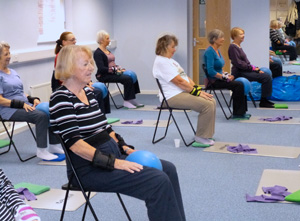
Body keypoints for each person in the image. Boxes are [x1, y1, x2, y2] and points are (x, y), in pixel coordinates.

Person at [49, 45, 186, 221]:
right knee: (157, 181)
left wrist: (126, 149)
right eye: (85, 64)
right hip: (88, 169)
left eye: (90, 63)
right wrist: (115, 163)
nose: (91, 67)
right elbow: (76, 145)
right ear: (68, 67)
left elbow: (107, 130)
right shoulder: (60, 98)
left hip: (113, 156)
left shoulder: (89, 93)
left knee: (168, 169)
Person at [0, 41, 62, 160]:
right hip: (8, 110)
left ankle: (54, 146)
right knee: (41, 116)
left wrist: (31, 98)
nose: (9, 56)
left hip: (24, 104)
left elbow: (19, 91)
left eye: (9, 53)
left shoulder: (12, 72)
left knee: (52, 111)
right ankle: (42, 151)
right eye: (6, 54)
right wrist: (20, 104)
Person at [153, 34, 216, 146]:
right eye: (172, 47)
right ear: (165, 46)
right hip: (171, 97)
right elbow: (179, 82)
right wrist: (197, 93)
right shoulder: (161, 62)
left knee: (211, 101)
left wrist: (198, 90)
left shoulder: (172, 62)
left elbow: (186, 78)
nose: (174, 49)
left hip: (181, 93)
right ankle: (200, 137)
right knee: (207, 105)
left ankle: (206, 134)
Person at [53, 32, 110, 114]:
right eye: (72, 40)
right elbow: (66, 75)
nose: (75, 41)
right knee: (97, 93)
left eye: (75, 39)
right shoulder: (61, 57)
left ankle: (101, 116)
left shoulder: (75, 54)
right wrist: (85, 85)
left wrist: (88, 83)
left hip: (79, 85)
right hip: (71, 86)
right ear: (64, 42)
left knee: (96, 91)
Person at [204, 29, 249, 119]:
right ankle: (238, 113)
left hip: (219, 78)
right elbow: (210, 71)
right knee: (238, 85)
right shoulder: (209, 52)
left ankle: (242, 112)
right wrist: (224, 77)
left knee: (241, 84)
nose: (223, 39)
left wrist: (227, 74)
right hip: (213, 81)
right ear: (214, 39)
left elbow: (219, 68)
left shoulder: (217, 50)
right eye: (221, 37)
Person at [94, 30, 143, 109]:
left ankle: (131, 98)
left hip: (112, 73)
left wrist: (119, 68)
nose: (109, 40)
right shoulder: (98, 53)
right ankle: (127, 101)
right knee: (127, 79)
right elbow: (101, 68)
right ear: (101, 40)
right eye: (107, 38)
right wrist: (115, 70)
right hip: (104, 75)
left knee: (132, 75)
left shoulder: (107, 51)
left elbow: (112, 64)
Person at [228, 27, 275, 108]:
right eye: (241, 34)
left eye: (243, 34)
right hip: (240, 72)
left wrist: (255, 68)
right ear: (234, 36)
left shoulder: (238, 46)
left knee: (266, 74)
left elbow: (246, 62)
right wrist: (252, 69)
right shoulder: (233, 47)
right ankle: (263, 101)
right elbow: (239, 64)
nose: (243, 36)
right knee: (266, 77)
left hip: (244, 70)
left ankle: (265, 99)